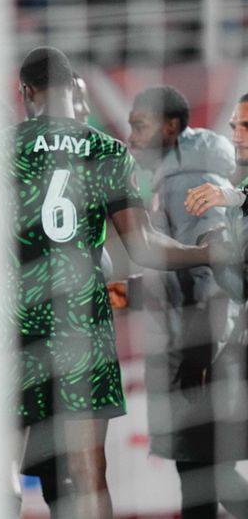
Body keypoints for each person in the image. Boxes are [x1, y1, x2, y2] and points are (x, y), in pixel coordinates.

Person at [8, 46, 220, 519]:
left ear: (26, 93)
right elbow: (143, 246)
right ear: (72, 91)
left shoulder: (2, 149)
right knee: (88, 473)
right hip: (81, 324)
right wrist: (207, 251)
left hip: (14, 322)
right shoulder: (105, 150)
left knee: (2, 467)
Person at [129, 86, 248, 519]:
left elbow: (212, 262)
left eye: (139, 126)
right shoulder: (182, 172)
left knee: (201, 471)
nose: (130, 136)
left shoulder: (186, 180)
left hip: (199, 349)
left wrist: (200, 351)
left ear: (171, 126)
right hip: (200, 343)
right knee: (204, 470)